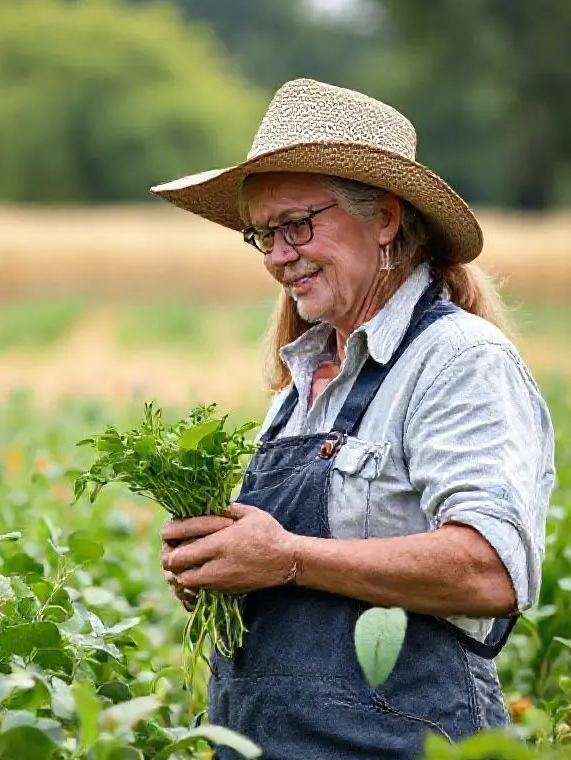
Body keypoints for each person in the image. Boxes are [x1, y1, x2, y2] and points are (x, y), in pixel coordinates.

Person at [150, 79, 556, 759]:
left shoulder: (458, 360)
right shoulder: (302, 383)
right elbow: (290, 573)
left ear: (385, 219)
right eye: (263, 235)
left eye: (297, 225)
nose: (279, 255)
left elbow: (491, 571)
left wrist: (286, 560)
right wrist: (218, 568)